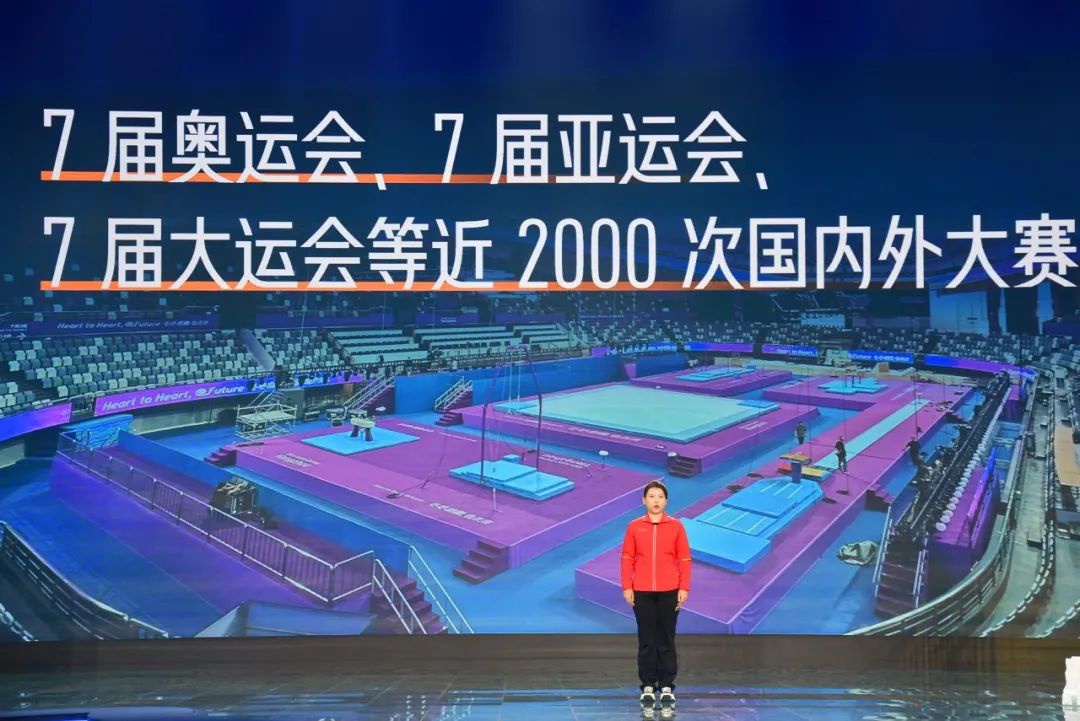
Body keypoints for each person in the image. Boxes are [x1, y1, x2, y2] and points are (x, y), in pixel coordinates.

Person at [621, 481, 691, 710]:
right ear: (644, 500)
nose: (656, 500)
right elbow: (627, 558)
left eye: (660, 496)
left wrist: (684, 587)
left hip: (670, 591)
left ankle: (667, 685)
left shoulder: (676, 526)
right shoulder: (634, 526)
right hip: (641, 592)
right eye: (651, 496)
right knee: (647, 640)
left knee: (667, 639)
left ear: (666, 501)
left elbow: (684, 559)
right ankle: (648, 685)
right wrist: (627, 586)